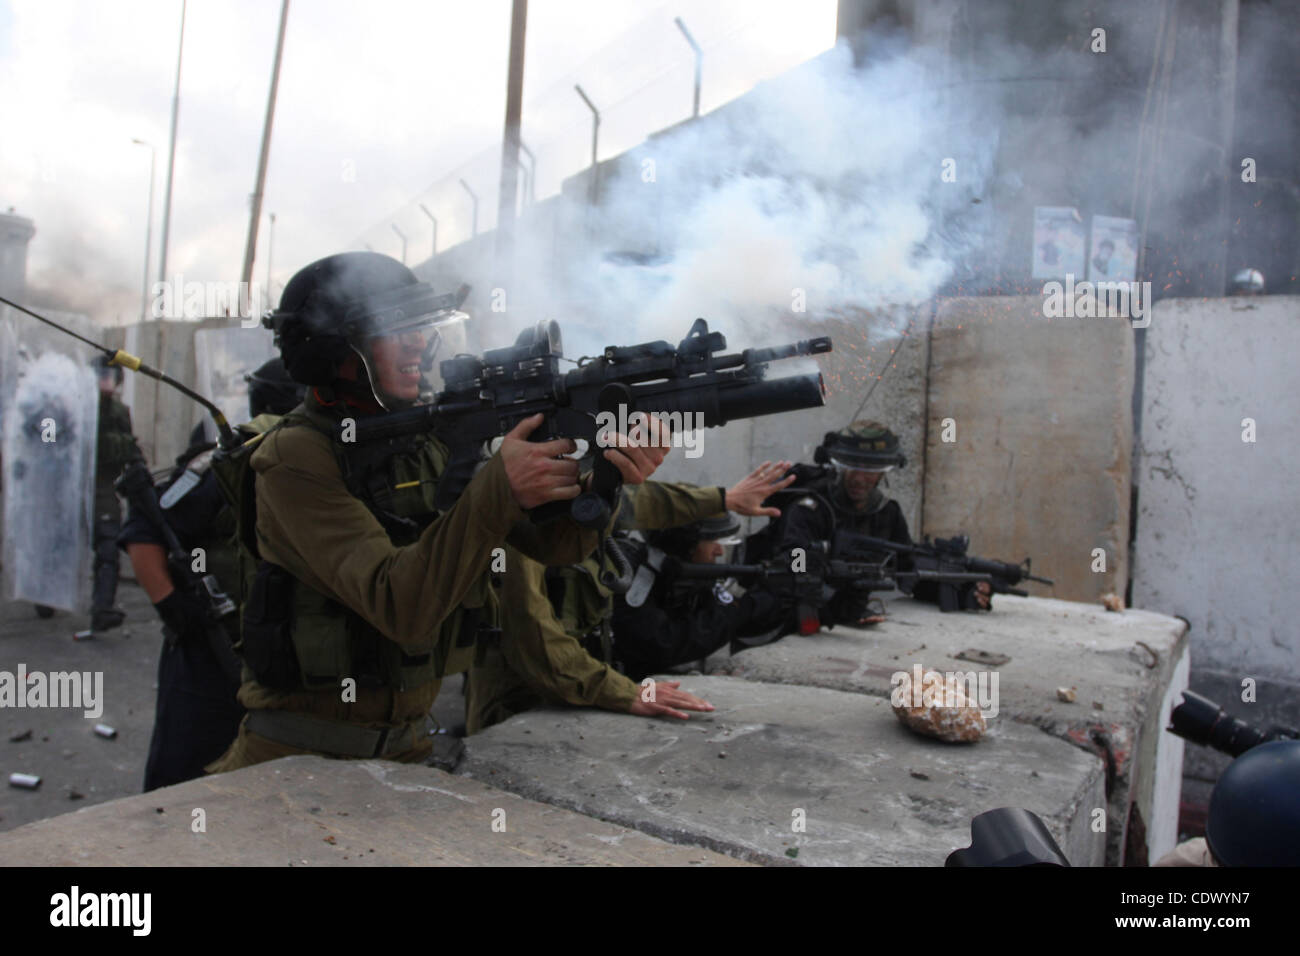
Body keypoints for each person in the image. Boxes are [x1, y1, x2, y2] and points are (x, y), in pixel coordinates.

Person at [207, 252, 666, 771]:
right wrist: (499, 486)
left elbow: (552, 546)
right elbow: (401, 606)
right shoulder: (295, 456)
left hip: (405, 751)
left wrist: (603, 479)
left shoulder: (425, 436)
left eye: (420, 327)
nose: (418, 343)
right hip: (294, 760)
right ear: (334, 352)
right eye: (392, 329)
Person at [464, 463, 796, 733]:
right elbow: (532, 638)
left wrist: (723, 499)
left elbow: (646, 500)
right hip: (516, 714)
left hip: (571, 698)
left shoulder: (579, 500)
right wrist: (626, 693)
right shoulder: (518, 529)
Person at [120, 357, 303, 791]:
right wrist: (174, 606)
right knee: (183, 783)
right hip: (207, 652)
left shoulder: (316, 464)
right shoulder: (225, 465)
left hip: (277, 665)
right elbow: (145, 530)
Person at [746, 420, 990, 627]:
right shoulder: (811, 507)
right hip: (789, 611)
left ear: (883, 473)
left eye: (871, 471)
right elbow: (793, 554)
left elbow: (906, 569)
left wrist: (963, 591)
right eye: (853, 469)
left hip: (847, 610)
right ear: (839, 467)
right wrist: (811, 567)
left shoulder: (887, 513)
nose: (860, 479)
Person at [609, 511, 795, 682]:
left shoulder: (686, 574)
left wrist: (776, 598)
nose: (720, 551)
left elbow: (732, 617)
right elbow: (659, 644)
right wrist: (738, 611)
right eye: (714, 542)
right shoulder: (631, 574)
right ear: (686, 544)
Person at [87, 354, 143, 632]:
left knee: (108, 546)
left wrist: (139, 471)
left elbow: (130, 446)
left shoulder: (119, 411)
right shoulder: (74, 405)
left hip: (102, 486)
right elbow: (50, 438)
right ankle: (46, 597)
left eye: (110, 377)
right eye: (101, 376)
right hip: (74, 487)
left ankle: (102, 607)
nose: (104, 382)